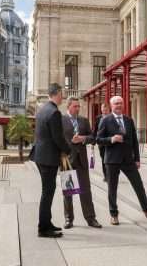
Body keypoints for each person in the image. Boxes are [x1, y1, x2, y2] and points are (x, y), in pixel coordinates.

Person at [96, 95, 147, 225]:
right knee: (112, 188)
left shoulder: (129, 120)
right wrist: (111, 139)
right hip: (112, 160)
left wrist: (137, 158)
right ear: (111, 106)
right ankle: (114, 214)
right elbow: (98, 139)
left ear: (123, 105)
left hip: (128, 159)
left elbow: (135, 140)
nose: (119, 105)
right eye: (116, 103)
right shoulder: (105, 120)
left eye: (121, 103)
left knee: (138, 185)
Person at [30, 83, 71, 238]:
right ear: (57, 93)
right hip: (48, 158)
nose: (63, 97)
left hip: (41, 156)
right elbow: (58, 138)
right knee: (47, 192)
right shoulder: (54, 112)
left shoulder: (42, 109)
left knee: (48, 191)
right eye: (62, 94)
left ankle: (47, 223)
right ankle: (43, 228)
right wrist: (68, 150)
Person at [61, 97, 102, 229]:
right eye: (75, 106)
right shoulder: (61, 121)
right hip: (66, 160)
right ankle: (68, 219)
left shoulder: (84, 121)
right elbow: (57, 140)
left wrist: (83, 139)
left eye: (79, 106)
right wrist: (71, 142)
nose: (78, 108)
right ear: (68, 107)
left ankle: (91, 219)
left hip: (82, 161)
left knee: (86, 191)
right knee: (69, 192)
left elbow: (92, 138)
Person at [92, 103, 111, 182]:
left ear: (109, 110)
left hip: (111, 142)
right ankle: (106, 176)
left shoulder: (112, 117)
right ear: (101, 110)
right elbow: (95, 130)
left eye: (106, 110)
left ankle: (111, 175)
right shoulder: (98, 118)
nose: (104, 111)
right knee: (104, 160)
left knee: (111, 160)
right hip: (101, 143)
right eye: (103, 109)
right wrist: (93, 142)